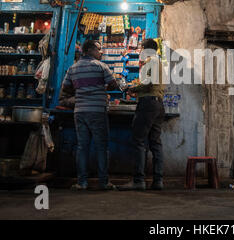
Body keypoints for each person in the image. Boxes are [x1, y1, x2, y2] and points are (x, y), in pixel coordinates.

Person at [61, 40, 119, 191]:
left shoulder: (72, 68)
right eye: (99, 49)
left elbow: (66, 87)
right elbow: (113, 85)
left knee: (82, 147)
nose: (101, 52)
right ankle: (103, 182)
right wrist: (100, 87)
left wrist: (81, 90)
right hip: (97, 111)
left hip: (79, 111)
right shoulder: (101, 66)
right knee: (101, 147)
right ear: (90, 50)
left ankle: (82, 183)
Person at [119, 38, 166, 191]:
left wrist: (132, 89)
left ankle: (139, 180)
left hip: (148, 105)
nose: (140, 51)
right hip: (158, 104)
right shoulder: (158, 62)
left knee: (139, 141)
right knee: (155, 143)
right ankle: (158, 181)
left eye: (141, 48)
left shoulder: (151, 60)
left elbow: (147, 82)